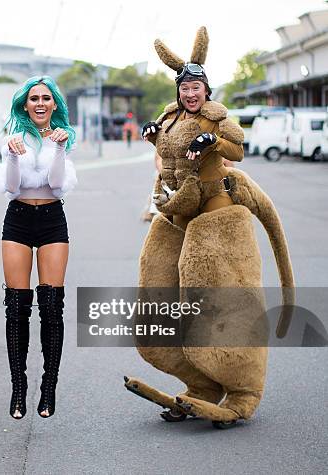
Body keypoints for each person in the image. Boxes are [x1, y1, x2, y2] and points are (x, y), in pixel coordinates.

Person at [125, 27, 294, 429]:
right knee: (156, 286)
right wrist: (154, 140)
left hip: (216, 212)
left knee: (212, 289)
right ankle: (201, 383)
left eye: (197, 86)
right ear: (179, 90)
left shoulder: (217, 117)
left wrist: (212, 144)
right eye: (185, 87)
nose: (190, 93)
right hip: (175, 212)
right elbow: (170, 160)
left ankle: (241, 391)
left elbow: (237, 148)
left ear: (206, 89)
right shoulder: (169, 117)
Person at [0, 76, 77, 419]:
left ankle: (49, 387)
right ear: (25, 105)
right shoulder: (12, 140)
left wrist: (58, 148)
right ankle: (18, 387)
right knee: (16, 307)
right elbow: (11, 187)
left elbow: (57, 186)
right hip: (18, 218)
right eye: (33, 99)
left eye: (46, 98)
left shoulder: (63, 139)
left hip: (52, 219)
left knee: (51, 306)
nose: (40, 103)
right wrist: (13, 157)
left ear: (54, 104)